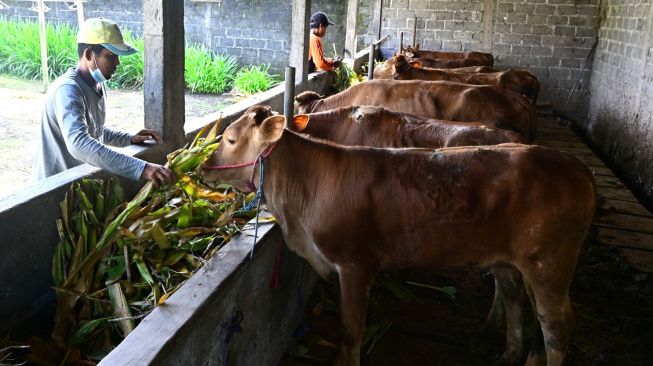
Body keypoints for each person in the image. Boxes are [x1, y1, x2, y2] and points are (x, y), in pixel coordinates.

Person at [31, 18, 174, 187]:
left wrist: (129, 139)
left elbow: (95, 131)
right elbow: (79, 143)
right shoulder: (68, 90)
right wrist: (143, 168)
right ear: (89, 55)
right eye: (111, 56)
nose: (117, 63)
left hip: (76, 183)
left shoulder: (97, 84)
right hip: (53, 186)